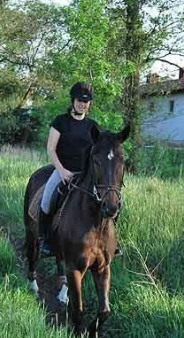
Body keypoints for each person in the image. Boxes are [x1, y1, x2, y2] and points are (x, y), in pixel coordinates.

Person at [38, 82, 121, 256]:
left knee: (115, 200)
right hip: (63, 171)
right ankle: (44, 239)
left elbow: (102, 151)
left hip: (86, 175)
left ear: (89, 104)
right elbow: (51, 149)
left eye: (86, 101)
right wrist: (61, 171)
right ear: (73, 101)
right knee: (46, 201)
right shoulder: (60, 122)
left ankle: (113, 241)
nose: (82, 104)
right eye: (79, 100)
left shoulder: (93, 126)